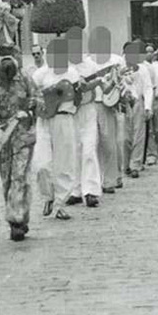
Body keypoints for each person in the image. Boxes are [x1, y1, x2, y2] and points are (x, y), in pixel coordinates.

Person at [0, 44, 40, 241]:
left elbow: (39, 99)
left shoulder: (25, 79)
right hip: (3, 140)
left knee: (19, 177)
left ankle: (17, 221)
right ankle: (17, 217)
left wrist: (31, 108)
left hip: (23, 137)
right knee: (7, 181)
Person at [31, 37, 80, 221]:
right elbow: (31, 92)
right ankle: (47, 196)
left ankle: (60, 204)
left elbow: (77, 97)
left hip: (64, 120)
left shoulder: (72, 73)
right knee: (42, 163)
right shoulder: (41, 74)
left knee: (64, 163)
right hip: (44, 121)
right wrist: (40, 102)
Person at [67, 26, 104, 208]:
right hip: (71, 112)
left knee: (89, 150)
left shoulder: (90, 65)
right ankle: (75, 190)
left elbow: (101, 83)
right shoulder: (63, 65)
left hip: (88, 109)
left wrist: (94, 82)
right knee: (74, 151)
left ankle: (91, 191)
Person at [89, 27, 126, 194]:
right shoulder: (89, 62)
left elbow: (123, 82)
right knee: (93, 145)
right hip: (90, 105)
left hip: (108, 105)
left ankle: (111, 180)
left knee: (109, 143)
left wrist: (119, 96)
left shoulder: (116, 60)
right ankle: (96, 181)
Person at [122, 41, 153, 178]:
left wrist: (148, 107)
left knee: (139, 135)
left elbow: (148, 88)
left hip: (138, 103)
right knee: (124, 137)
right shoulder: (120, 69)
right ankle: (126, 164)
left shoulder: (143, 69)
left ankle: (135, 164)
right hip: (124, 103)